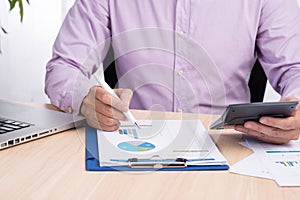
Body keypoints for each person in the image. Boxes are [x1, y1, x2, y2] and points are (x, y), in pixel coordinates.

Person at [45, 0, 300, 144]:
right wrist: (83, 99)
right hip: (134, 142)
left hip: (228, 145)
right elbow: (64, 66)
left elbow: (295, 69)